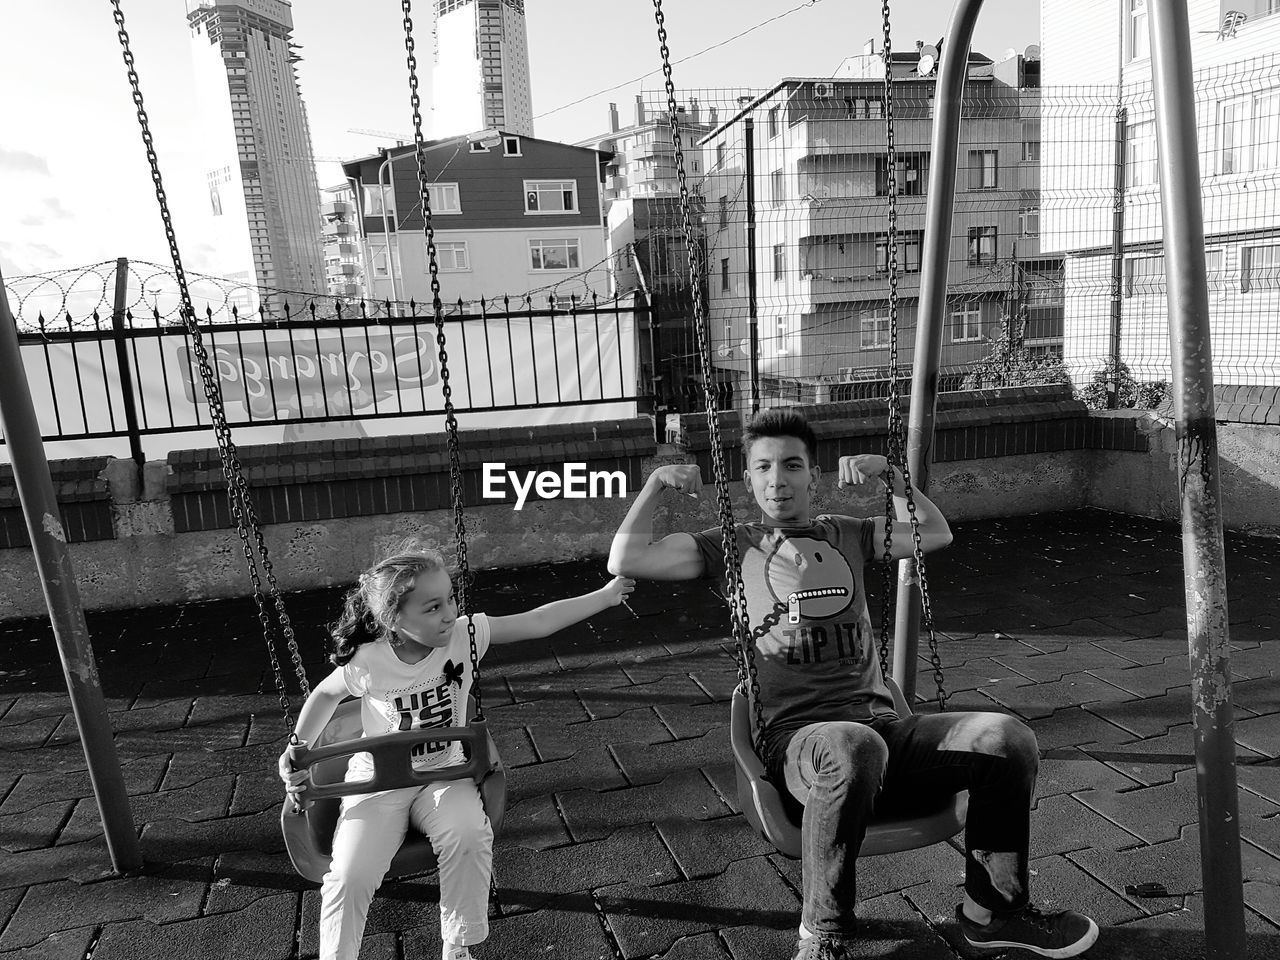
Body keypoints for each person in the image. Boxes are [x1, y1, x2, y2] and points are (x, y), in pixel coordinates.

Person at [607, 407, 1099, 960]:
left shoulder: (848, 534)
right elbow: (625, 557)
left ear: (811, 476)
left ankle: (994, 913)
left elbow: (936, 533)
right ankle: (825, 936)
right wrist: (654, 485)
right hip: (798, 739)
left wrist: (893, 477)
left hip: (881, 725)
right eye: (764, 467)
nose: (778, 480)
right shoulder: (729, 545)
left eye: (792, 465)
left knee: (1008, 739)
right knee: (850, 745)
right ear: (747, 480)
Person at [279, 542, 635, 960]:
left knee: (469, 833)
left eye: (450, 598)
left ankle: (457, 944)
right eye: (432, 608)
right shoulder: (370, 661)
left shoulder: (464, 635)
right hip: (378, 784)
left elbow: (538, 621)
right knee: (350, 873)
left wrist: (606, 596)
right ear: (393, 620)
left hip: (445, 773)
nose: (449, 613)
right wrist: (296, 746)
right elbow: (323, 696)